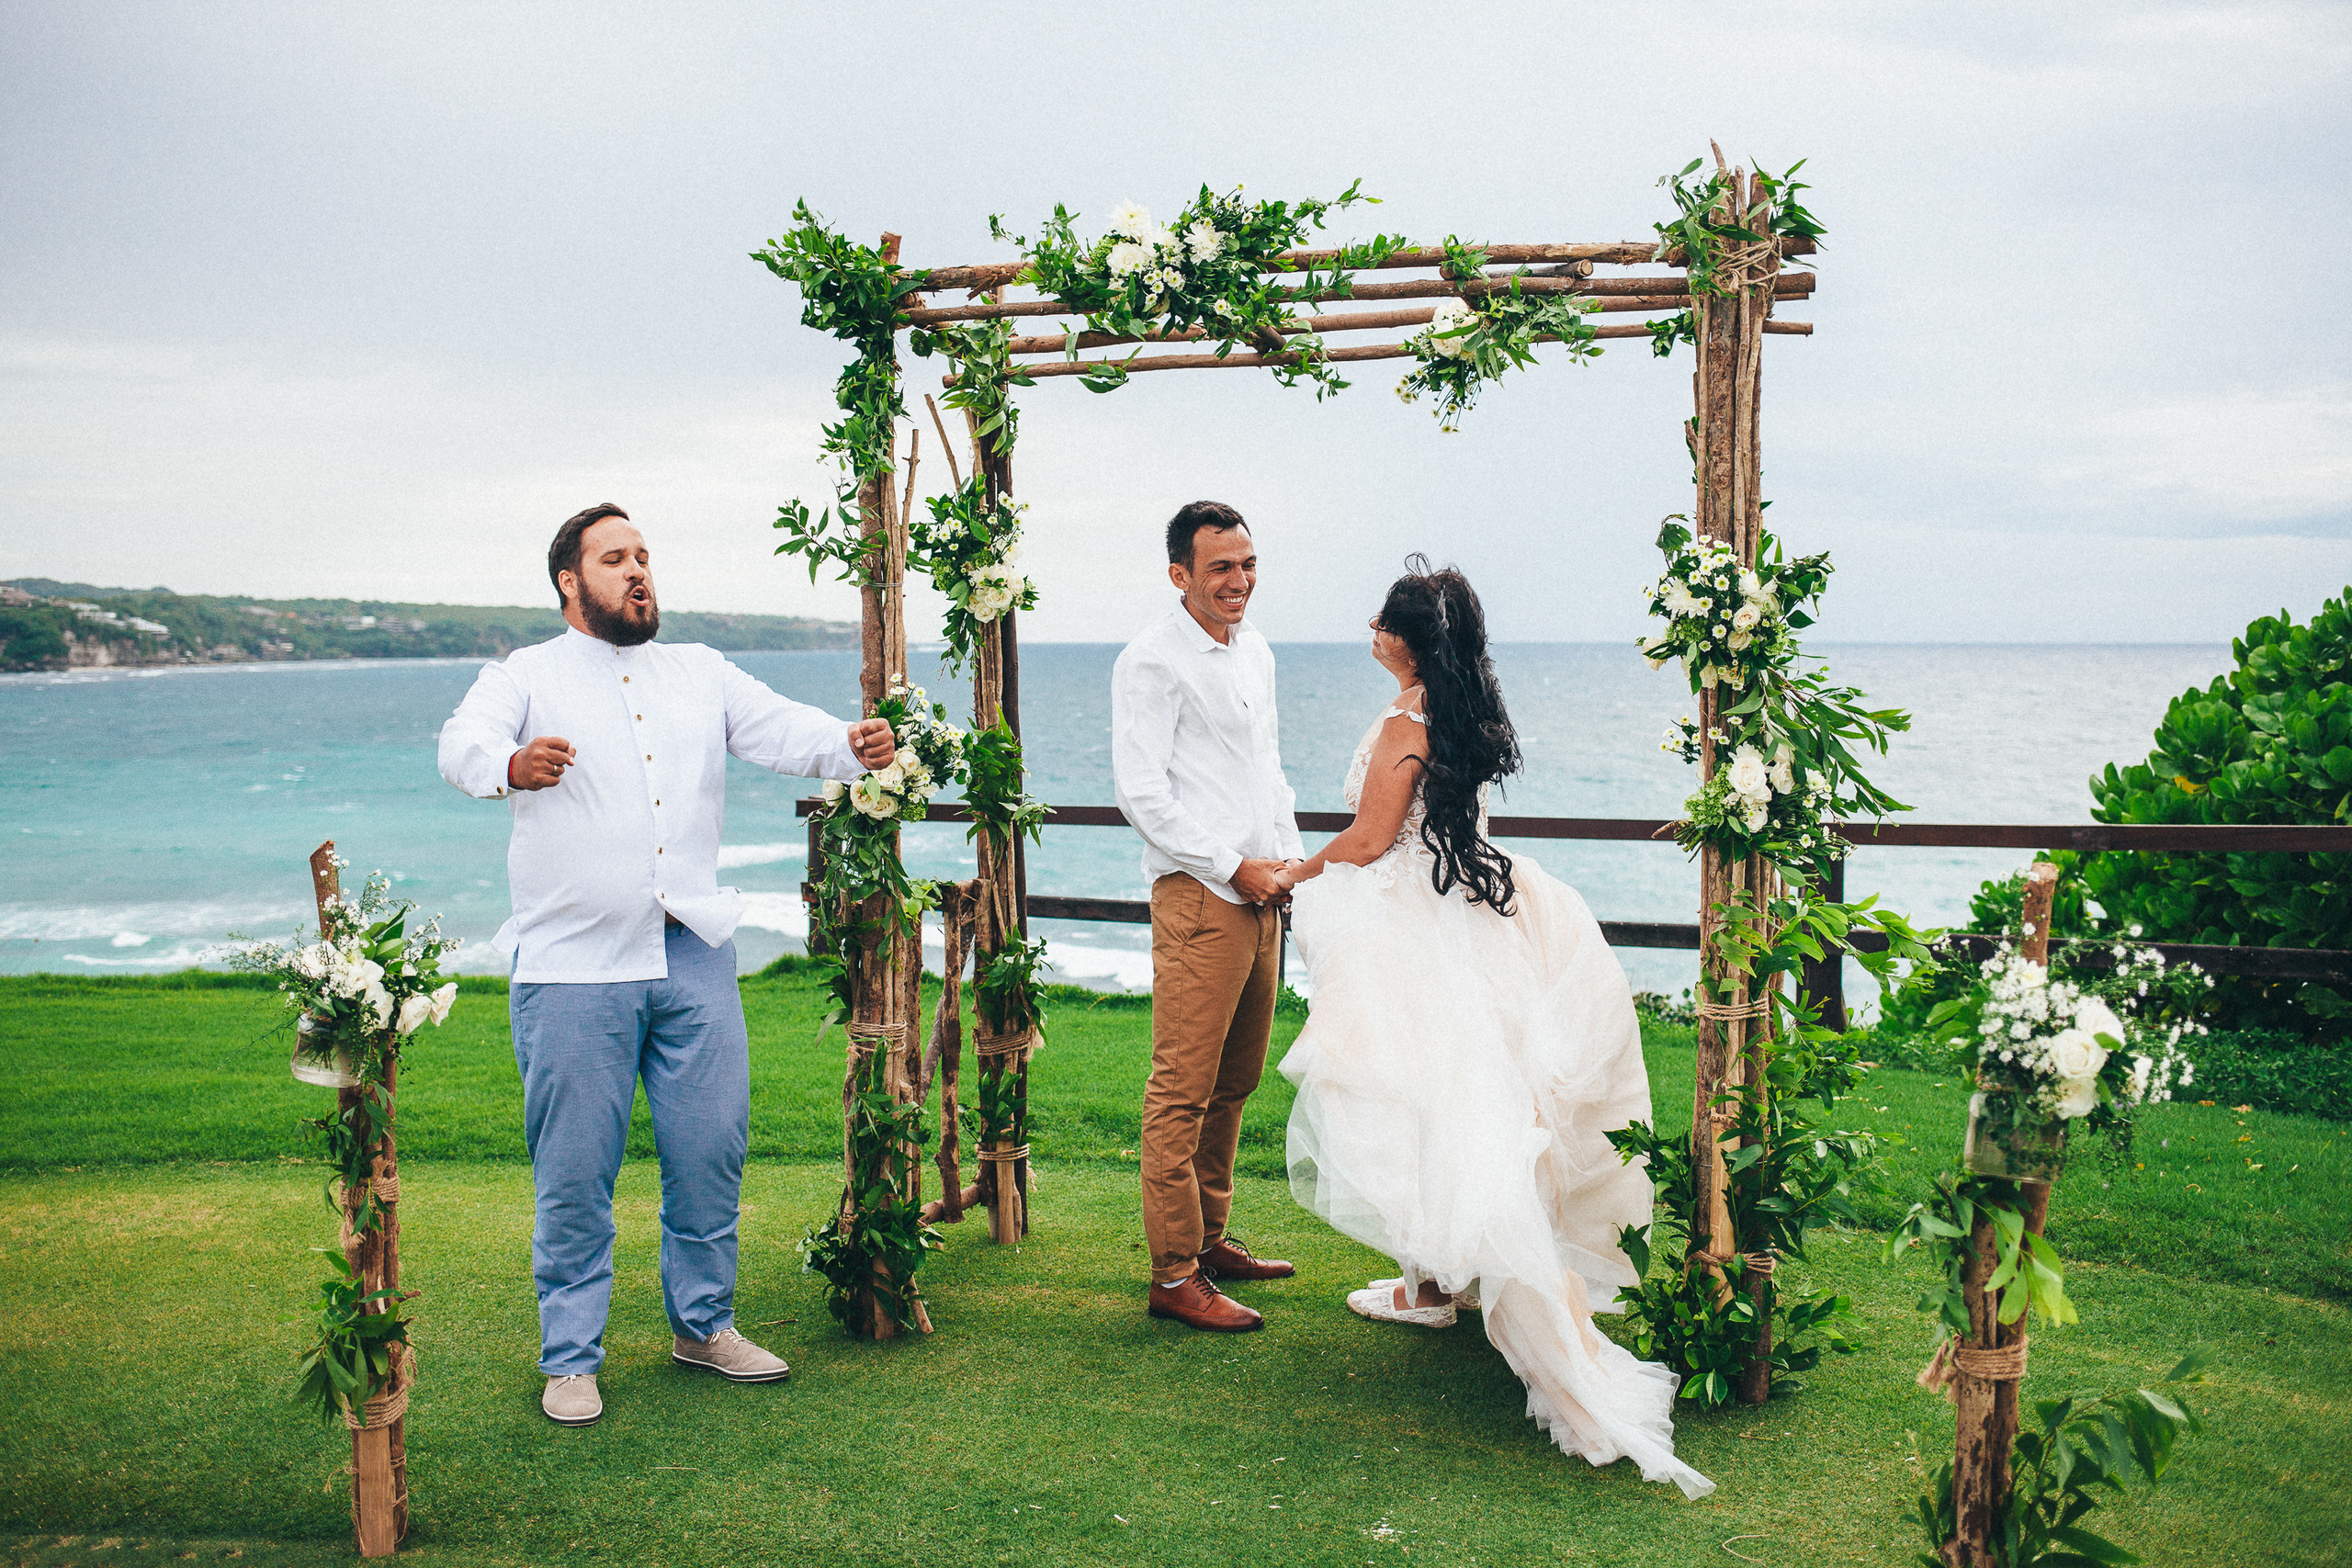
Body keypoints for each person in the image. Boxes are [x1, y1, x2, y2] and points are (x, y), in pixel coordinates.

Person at [436, 502, 894, 1427]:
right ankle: (570, 1359)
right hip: (571, 967)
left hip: (693, 950)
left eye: (643, 554)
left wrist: (848, 744)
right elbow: (460, 744)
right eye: (615, 558)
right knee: (575, 1175)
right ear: (570, 581)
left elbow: (782, 730)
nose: (638, 569)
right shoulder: (524, 674)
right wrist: (510, 765)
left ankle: (704, 1325)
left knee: (710, 1153)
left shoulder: (700, 670)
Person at [1273, 558, 1713, 1497]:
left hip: (1413, 924)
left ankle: (1444, 1288)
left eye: (1381, 621)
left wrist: (1293, 873)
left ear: (1406, 641)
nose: (1370, 630)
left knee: (1420, 1096)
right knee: (1461, 1094)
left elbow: (1369, 838)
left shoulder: (1406, 723)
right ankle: (1430, 1286)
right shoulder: (1465, 712)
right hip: (1469, 914)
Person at [1111, 500, 1305, 1333]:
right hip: (1202, 897)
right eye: (1221, 566)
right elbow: (1142, 793)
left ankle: (1211, 1239)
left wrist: (1289, 863)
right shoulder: (1150, 661)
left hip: (1264, 896)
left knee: (1237, 1080)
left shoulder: (1255, 650)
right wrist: (1235, 867)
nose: (1239, 580)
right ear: (1179, 574)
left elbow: (1268, 772)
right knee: (1181, 1090)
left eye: (1248, 563)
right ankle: (1174, 1272)